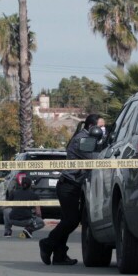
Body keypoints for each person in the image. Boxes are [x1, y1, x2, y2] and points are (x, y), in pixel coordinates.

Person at [38, 113, 101, 265]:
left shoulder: (88, 139)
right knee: (72, 220)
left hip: (74, 185)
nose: (103, 129)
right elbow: (93, 159)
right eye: (101, 126)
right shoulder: (82, 140)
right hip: (68, 185)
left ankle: (59, 255)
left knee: (67, 220)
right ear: (92, 127)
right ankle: (47, 243)